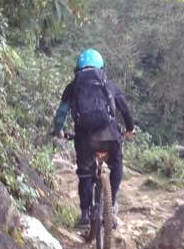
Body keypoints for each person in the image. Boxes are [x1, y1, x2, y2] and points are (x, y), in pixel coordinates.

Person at [53, 49, 135, 228]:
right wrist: (129, 129)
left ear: (78, 68)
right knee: (117, 165)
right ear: (101, 67)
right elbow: (125, 110)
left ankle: (84, 215)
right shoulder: (109, 85)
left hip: (85, 139)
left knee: (85, 174)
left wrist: (59, 131)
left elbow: (61, 114)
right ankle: (110, 206)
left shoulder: (73, 87)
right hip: (110, 136)